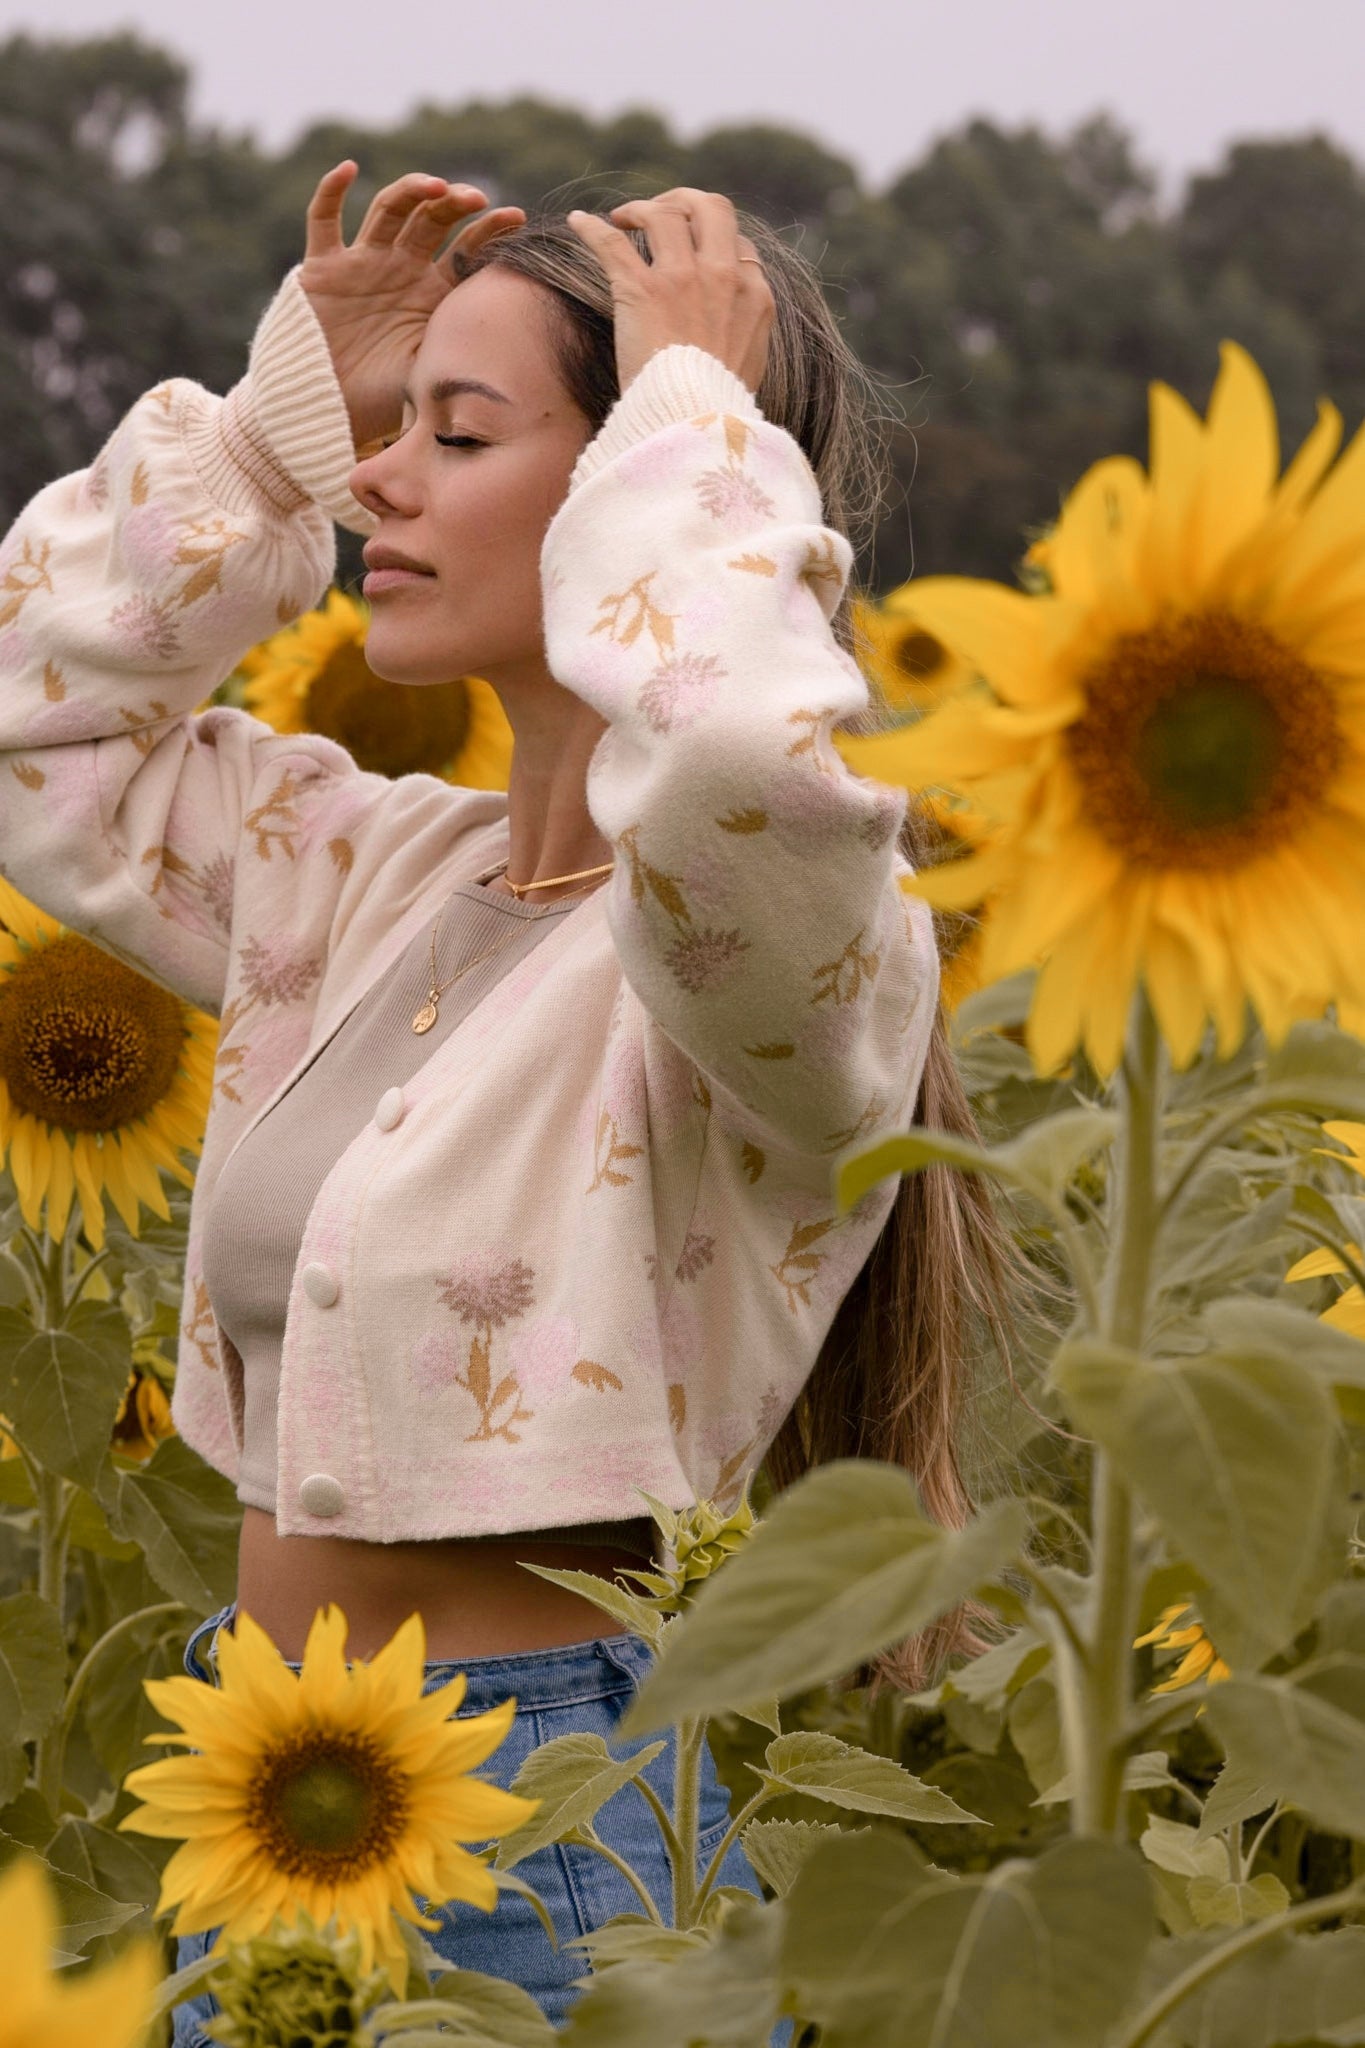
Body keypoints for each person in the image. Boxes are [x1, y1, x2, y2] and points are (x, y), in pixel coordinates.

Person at [0, 162, 1003, 2038]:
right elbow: (38, 725)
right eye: (398, 431)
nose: (390, 474)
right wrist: (290, 435)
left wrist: (699, 411)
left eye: (454, 435)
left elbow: (725, 755)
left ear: (630, 493)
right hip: (262, 1799)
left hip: (549, 1849)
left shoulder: (772, 964)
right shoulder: (354, 877)